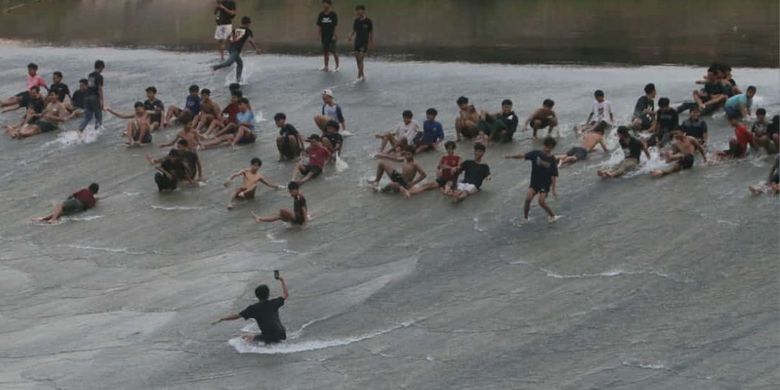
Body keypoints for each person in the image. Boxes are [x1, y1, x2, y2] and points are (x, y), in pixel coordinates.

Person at [211, 273, 290, 344]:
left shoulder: (253, 308)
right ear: (268, 294)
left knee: (244, 337)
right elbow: (286, 295)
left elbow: (237, 316)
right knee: (264, 333)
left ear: (256, 296)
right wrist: (282, 280)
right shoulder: (274, 302)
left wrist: (222, 318)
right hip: (282, 334)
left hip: (269, 336)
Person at [505, 136, 560, 223]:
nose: (548, 149)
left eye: (550, 147)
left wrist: (553, 190)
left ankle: (553, 216)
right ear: (544, 145)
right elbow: (523, 156)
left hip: (545, 184)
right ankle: (526, 218)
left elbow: (553, 175)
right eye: (546, 146)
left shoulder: (552, 160)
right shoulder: (535, 153)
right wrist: (511, 156)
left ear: (552, 148)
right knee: (528, 199)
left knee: (541, 202)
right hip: (534, 182)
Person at [211, 16, 261, 83]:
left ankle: (238, 80)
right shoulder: (248, 30)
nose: (249, 25)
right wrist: (256, 49)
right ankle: (215, 67)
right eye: (249, 24)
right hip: (235, 50)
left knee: (240, 63)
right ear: (248, 23)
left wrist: (224, 44)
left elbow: (228, 37)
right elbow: (250, 40)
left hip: (231, 48)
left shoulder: (236, 29)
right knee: (229, 63)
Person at [34, 183, 99, 224]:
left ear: (89, 187)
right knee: (61, 213)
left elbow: (73, 195)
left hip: (76, 201)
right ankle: (45, 219)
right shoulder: (93, 200)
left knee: (60, 205)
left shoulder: (85, 190)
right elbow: (89, 207)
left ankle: (51, 219)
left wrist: (67, 200)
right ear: (95, 192)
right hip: (80, 208)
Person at [78, 60, 105, 133]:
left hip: (87, 97)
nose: (102, 70)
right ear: (101, 67)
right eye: (102, 69)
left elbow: (90, 86)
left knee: (88, 117)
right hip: (94, 97)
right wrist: (102, 101)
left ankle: (80, 129)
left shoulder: (90, 75)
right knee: (98, 116)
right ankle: (97, 132)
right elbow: (100, 89)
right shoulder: (100, 77)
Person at [348, 4, 373, 81]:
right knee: (357, 59)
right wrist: (350, 36)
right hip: (357, 41)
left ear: (363, 11)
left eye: (360, 10)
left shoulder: (368, 21)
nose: (358, 12)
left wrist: (370, 41)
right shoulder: (356, 21)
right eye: (357, 10)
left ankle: (359, 75)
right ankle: (362, 74)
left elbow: (371, 32)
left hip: (364, 42)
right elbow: (354, 30)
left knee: (361, 58)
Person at [317, 0, 339, 72]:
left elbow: (335, 26)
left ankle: (337, 66)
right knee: (325, 51)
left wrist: (334, 35)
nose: (324, 5)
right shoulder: (321, 14)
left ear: (329, 5)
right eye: (323, 4)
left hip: (331, 35)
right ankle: (326, 66)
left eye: (325, 4)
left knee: (333, 51)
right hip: (324, 35)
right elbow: (319, 26)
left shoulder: (333, 14)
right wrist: (319, 35)